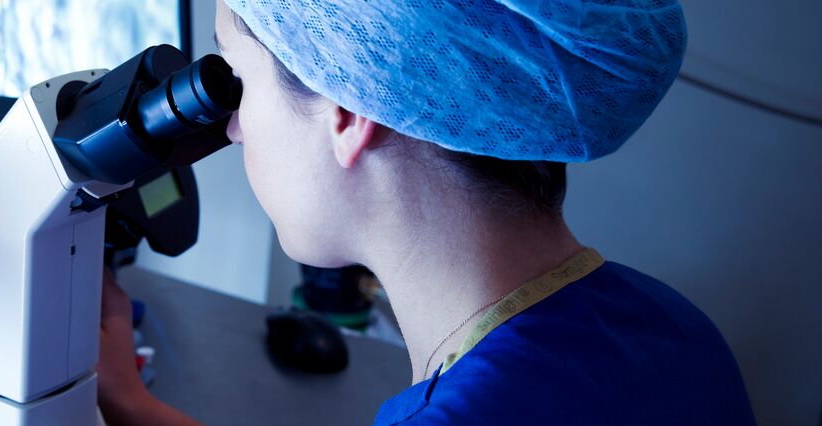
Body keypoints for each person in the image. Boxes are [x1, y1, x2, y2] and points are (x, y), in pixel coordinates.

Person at [96, 0, 756, 424]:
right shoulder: (676, 328)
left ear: (344, 110)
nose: (233, 128)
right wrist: (135, 404)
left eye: (233, 80)